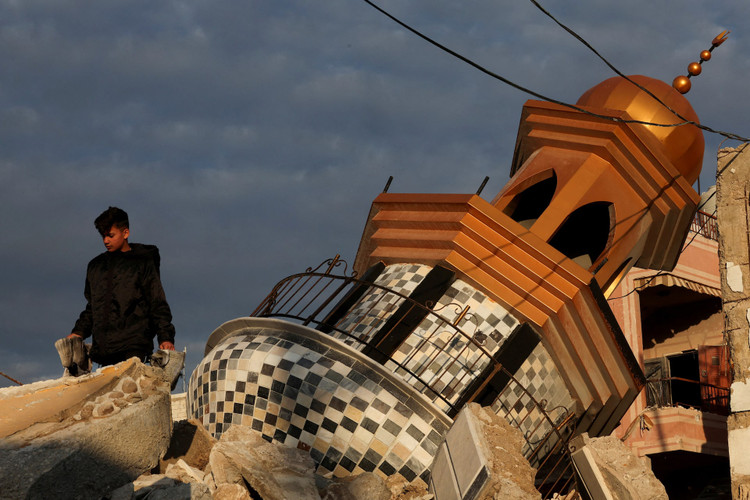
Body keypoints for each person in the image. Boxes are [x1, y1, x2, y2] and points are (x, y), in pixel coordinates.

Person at [66, 206, 176, 366]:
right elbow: (92, 307)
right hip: (104, 351)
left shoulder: (143, 262)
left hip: (134, 348)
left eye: (110, 235)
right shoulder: (95, 266)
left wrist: (165, 337)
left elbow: (157, 302)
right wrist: (78, 332)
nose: (106, 241)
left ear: (125, 233)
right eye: (103, 236)